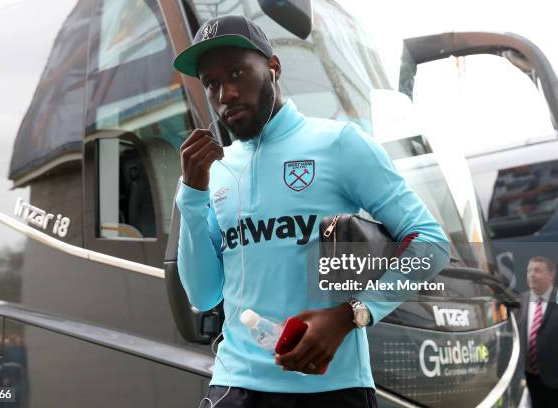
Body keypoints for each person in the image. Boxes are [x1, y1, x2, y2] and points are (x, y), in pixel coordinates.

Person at [173, 15, 450, 407]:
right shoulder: (213, 171)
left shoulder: (338, 144)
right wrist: (192, 195)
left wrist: (352, 314)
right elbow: (203, 294)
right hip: (234, 387)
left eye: (237, 72)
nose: (226, 93)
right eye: (212, 82)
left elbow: (431, 243)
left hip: (330, 388)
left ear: (273, 68)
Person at [517, 256, 558, 408]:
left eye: (537, 271)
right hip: (526, 381)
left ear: (551, 275)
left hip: (553, 382)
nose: (532, 275)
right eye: (529, 271)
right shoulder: (520, 301)